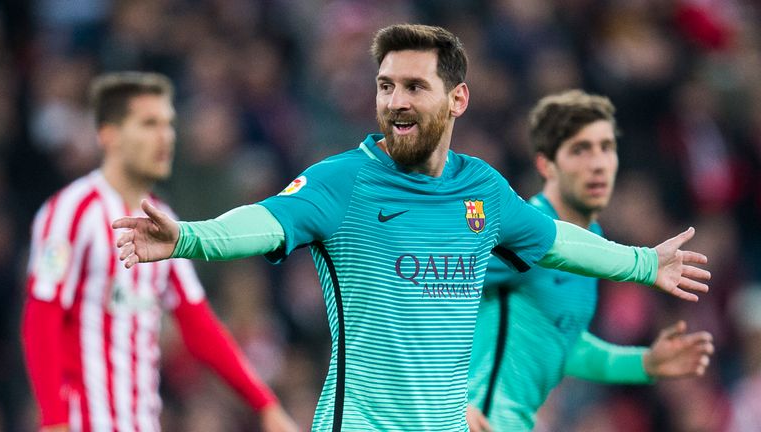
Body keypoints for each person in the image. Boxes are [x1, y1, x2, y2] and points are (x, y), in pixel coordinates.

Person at [112, 25, 710, 431]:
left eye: (415, 87)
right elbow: (264, 221)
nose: (396, 100)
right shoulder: (342, 182)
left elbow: (554, 241)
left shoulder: (482, 190)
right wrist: (187, 237)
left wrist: (643, 263)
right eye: (386, 85)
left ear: (457, 100)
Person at [21, 72, 299, 432]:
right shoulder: (71, 212)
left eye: (168, 124)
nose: (165, 136)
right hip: (84, 422)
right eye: (149, 124)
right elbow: (41, 316)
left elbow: (197, 323)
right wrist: (53, 419)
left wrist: (264, 403)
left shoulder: (164, 219)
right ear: (110, 136)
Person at [465, 90, 715, 432]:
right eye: (580, 150)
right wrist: (450, 403)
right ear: (546, 164)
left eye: (605, 148)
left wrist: (643, 364)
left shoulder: (593, 246)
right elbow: (423, 302)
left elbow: (562, 342)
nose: (597, 163)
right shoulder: (518, 237)